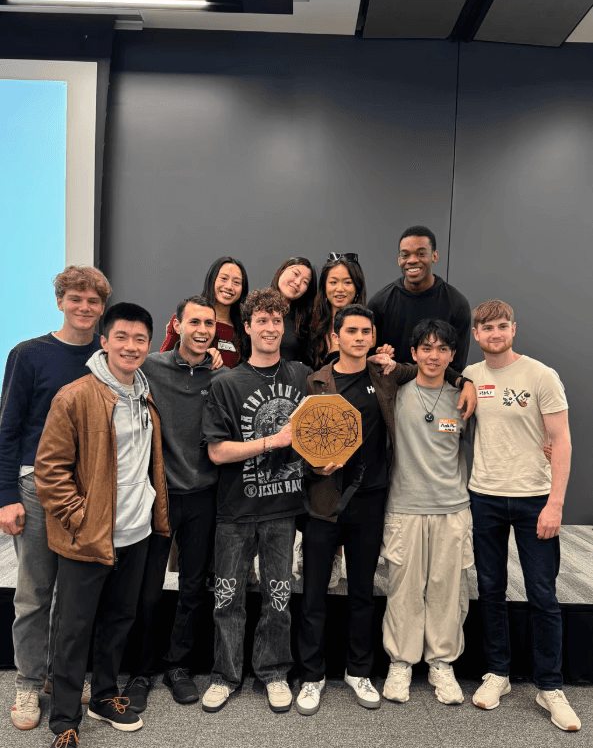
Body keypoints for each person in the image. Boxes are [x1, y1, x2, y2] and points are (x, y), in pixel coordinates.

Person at [295, 306, 476, 716]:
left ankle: (359, 672)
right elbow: (301, 434)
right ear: (336, 336)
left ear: (374, 337)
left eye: (366, 331)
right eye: (351, 331)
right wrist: (313, 465)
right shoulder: (315, 381)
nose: (359, 338)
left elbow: (433, 368)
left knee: (363, 592)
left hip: (373, 500)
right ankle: (312, 676)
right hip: (324, 499)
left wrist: (464, 379)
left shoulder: (387, 375)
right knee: (314, 594)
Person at [34, 302, 169, 748]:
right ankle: (64, 722)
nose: (131, 346)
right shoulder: (75, 396)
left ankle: (105, 696)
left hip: (136, 532)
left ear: (148, 345)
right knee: (73, 631)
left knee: (118, 621)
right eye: (122, 337)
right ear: (105, 341)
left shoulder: (145, 393)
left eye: (140, 339)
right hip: (88, 539)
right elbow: (50, 471)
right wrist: (80, 520)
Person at [201, 287, 332, 714]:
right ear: (248, 327)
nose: (271, 327)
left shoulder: (302, 375)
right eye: (262, 320)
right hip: (235, 510)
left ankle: (274, 672)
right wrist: (272, 441)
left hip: (283, 510)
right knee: (228, 599)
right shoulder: (226, 383)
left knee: (278, 598)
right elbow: (217, 451)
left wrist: (323, 462)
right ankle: (225, 675)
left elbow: (320, 428)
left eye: (277, 320)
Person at [0, 265, 111, 731]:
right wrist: (6, 496)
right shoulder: (28, 355)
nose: (84, 307)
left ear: (102, 308)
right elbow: (8, 428)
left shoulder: (107, 357)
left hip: (88, 489)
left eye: (93, 301)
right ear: (60, 301)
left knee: (74, 595)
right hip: (36, 488)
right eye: (76, 298)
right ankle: (28, 682)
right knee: (34, 593)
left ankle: (60, 676)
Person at [465, 300, 580, 731]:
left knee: (542, 595)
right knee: (491, 589)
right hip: (485, 497)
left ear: (513, 329)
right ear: (476, 335)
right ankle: (498, 673)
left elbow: (562, 440)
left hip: (534, 499)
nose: (495, 334)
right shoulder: (471, 376)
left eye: (502, 326)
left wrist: (556, 504)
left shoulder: (541, 375)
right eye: (486, 328)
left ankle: (550, 686)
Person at [123, 296, 225, 711]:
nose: (202, 330)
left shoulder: (220, 376)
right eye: (194, 322)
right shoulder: (149, 367)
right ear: (177, 324)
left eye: (209, 324)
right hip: (158, 496)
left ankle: (178, 666)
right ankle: (141, 671)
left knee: (193, 588)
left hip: (204, 496)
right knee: (147, 591)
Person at [381, 319, 473, 706]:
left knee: (447, 589)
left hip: (452, 508)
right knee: (403, 590)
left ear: (452, 356)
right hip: (404, 507)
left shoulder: (465, 399)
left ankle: (441, 663)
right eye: (426, 348)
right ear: (413, 353)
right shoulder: (394, 394)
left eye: (442, 349)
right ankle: (401, 662)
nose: (433, 356)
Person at [368, 226, 471, 368]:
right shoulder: (379, 303)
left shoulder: (457, 304)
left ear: (434, 256)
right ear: (399, 259)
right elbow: (367, 359)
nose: (412, 260)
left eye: (421, 254)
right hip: (389, 381)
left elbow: (457, 365)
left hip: (437, 382)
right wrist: (380, 356)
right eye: (405, 255)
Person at [160, 256, 249, 367]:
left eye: (236, 282)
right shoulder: (185, 318)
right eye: (224, 278)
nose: (229, 286)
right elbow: (163, 364)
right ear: (212, 280)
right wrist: (202, 357)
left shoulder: (245, 328)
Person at [270, 257, 317, 362]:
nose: (297, 282)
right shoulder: (255, 307)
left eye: (305, 282)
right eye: (295, 274)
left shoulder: (305, 322)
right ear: (282, 270)